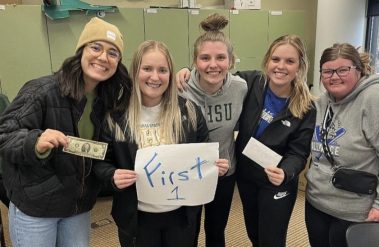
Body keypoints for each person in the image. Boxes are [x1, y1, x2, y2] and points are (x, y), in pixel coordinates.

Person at [0, 17, 131, 247]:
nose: (103, 57)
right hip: (36, 207)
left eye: (113, 53)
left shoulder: (108, 101)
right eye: (96, 47)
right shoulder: (43, 90)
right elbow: (4, 135)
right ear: (81, 51)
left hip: (77, 207)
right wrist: (35, 142)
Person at [93, 40, 229, 247]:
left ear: (170, 74)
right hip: (137, 216)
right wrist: (111, 176)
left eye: (162, 70)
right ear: (135, 72)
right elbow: (101, 163)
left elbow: (204, 154)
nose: (155, 77)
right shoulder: (116, 117)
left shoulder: (189, 112)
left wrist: (216, 166)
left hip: (181, 215)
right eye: (147, 69)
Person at [305, 43, 379, 247]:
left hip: (358, 213)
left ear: (359, 70)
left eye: (343, 70)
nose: (334, 76)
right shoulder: (322, 103)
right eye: (328, 71)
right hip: (317, 205)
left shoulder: (377, 100)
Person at [234, 35, 316, 247]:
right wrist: (189, 73)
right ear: (267, 61)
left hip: (277, 180)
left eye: (290, 61)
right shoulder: (250, 82)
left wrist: (286, 172)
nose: (281, 66)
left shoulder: (305, 106)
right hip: (247, 176)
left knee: (272, 240)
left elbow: (298, 152)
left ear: (300, 67)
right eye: (276, 59)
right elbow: (217, 80)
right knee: (254, 233)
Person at [178, 13, 247, 247]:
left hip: (224, 172)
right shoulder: (181, 88)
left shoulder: (240, 88)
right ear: (195, 61)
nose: (213, 65)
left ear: (231, 60)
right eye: (205, 58)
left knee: (216, 231)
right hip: (189, 174)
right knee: (188, 231)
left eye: (220, 57)